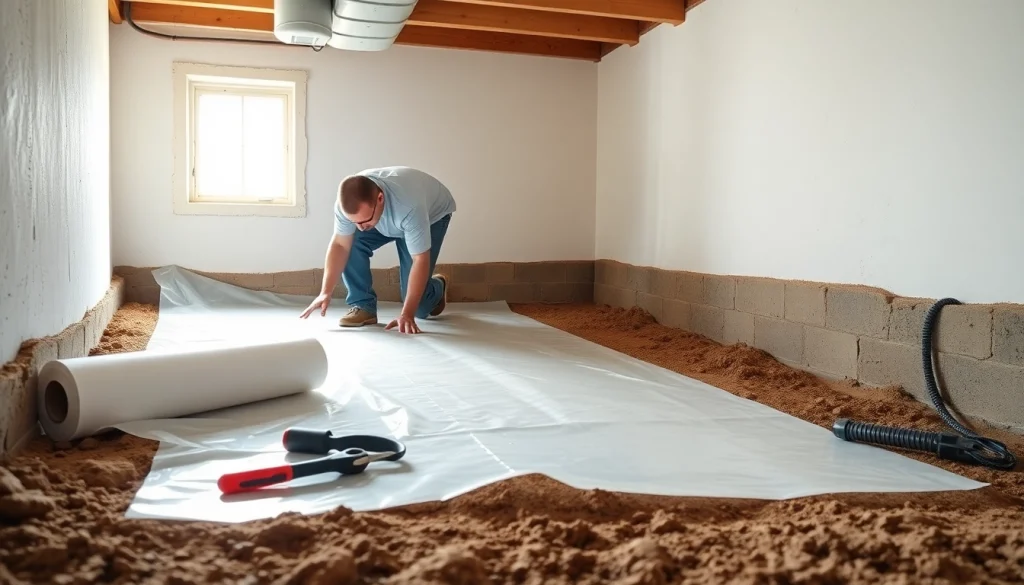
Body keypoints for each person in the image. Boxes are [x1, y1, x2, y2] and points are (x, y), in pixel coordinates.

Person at [300, 166, 455, 334]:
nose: (360, 227)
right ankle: (363, 305)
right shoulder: (348, 207)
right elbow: (340, 245)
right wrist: (325, 291)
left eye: (364, 220)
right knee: (351, 241)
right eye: (355, 222)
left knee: (420, 309)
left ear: (380, 198)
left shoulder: (410, 206)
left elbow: (420, 259)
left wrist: (407, 314)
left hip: (431, 216)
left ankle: (438, 284)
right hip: (392, 216)